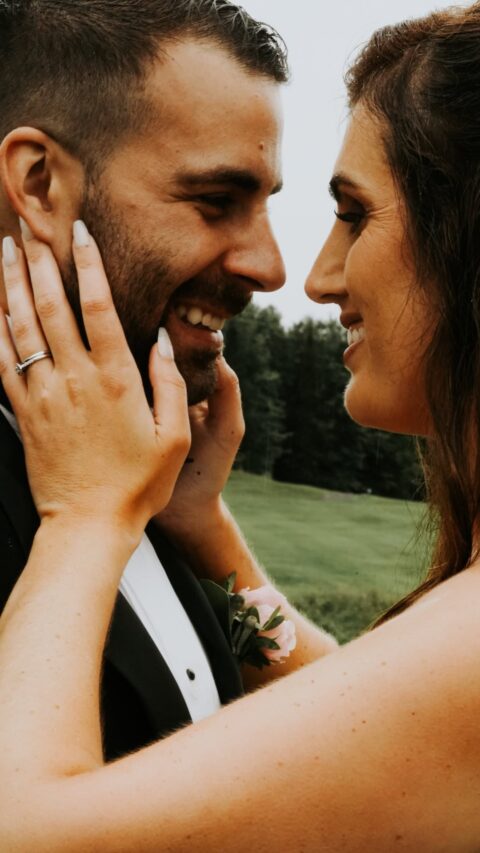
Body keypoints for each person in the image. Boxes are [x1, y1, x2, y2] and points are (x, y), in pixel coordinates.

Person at [3, 1, 480, 850]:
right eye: (217, 199)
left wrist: (83, 516)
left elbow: (27, 828)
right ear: (37, 184)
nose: (293, 272)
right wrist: (207, 531)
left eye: (355, 214)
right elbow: (357, 720)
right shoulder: (169, 499)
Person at [0, 0, 336, 762]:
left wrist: (201, 524)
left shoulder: (146, 469)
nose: (272, 267)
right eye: (217, 202)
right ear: (40, 183)